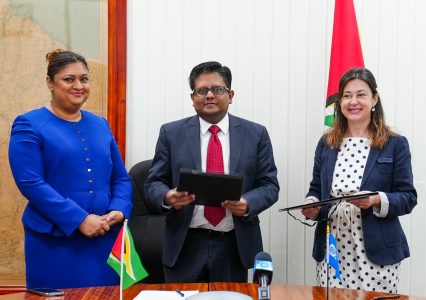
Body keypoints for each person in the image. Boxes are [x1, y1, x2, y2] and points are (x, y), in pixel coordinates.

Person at [145, 61, 279, 283]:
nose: (209, 95)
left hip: (233, 245)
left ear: (230, 94)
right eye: (201, 90)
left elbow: (269, 185)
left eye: (217, 89)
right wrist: (168, 197)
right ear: (192, 98)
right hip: (185, 244)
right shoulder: (171, 133)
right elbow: (153, 184)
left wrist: (247, 203)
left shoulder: (255, 134)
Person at [8, 49, 132, 289]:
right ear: (49, 83)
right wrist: (79, 220)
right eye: (69, 79)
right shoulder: (29, 124)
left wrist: (119, 208)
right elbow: (31, 183)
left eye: (84, 79)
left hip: (105, 241)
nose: (79, 85)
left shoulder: (100, 124)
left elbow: (121, 179)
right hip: (55, 243)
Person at [301, 68, 417, 293]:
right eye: (346, 95)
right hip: (332, 246)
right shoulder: (326, 143)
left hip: (376, 251)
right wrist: (311, 204)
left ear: (374, 99)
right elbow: (316, 188)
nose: (353, 101)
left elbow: (408, 197)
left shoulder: (395, 144)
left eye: (361, 94)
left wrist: (375, 200)